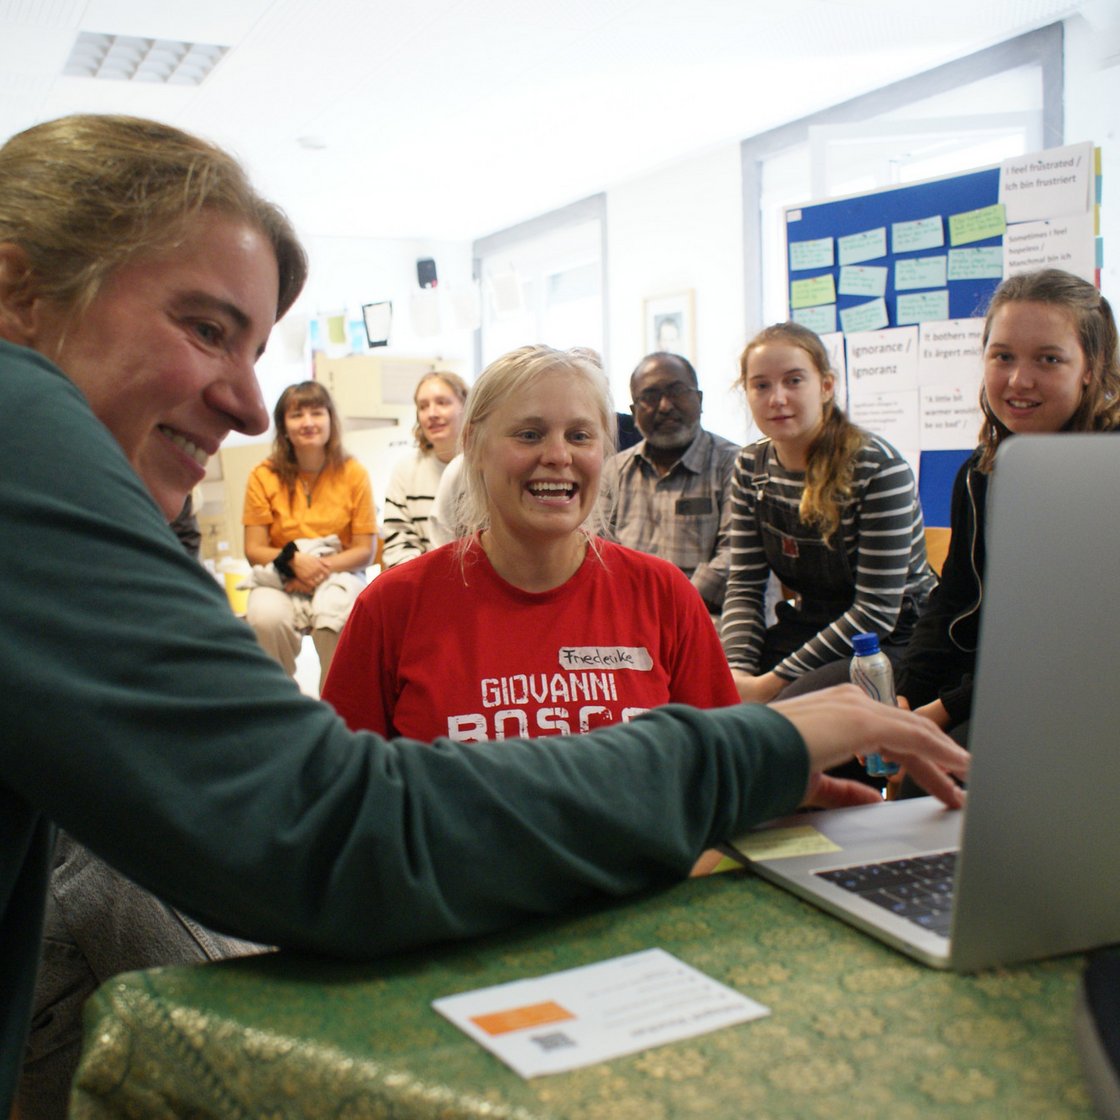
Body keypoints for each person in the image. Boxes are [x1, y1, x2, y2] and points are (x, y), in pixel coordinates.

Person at [0, 113, 970, 1118]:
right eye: (205, 328)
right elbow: (331, 826)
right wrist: (736, 753)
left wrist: (732, 778)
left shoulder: (655, 595)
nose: (251, 406)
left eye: (582, 434)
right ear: (18, 291)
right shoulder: (27, 439)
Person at [322, 345, 739, 741]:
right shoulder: (391, 609)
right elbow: (338, 791)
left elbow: (724, 770)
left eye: (579, 436)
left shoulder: (663, 595)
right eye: (529, 434)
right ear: (473, 446)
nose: (558, 455)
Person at [896, 268, 1120, 746]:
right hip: (989, 678)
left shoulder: (1107, 471)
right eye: (1002, 356)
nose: (1020, 380)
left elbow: (1076, 640)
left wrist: (940, 711)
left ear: (1091, 366)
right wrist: (905, 695)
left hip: (1079, 689)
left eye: (1049, 359)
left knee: (951, 766)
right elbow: (953, 598)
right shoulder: (981, 472)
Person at [722, 321, 936, 703]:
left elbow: (876, 610)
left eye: (793, 381)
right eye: (761, 385)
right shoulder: (750, 466)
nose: (777, 398)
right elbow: (744, 585)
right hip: (811, 624)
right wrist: (737, 673)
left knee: (786, 714)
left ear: (826, 386)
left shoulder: (878, 468)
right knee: (704, 698)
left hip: (893, 639)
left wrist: (770, 684)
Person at [242, 380, 375, 690]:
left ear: (330, 420)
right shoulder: (263, 475)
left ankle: (337, 710)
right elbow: (254, 549)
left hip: (338, 570)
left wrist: (315, 568)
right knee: (264, 619)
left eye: (317, 413)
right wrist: (294, 563)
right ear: (283, 427)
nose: (308, 423)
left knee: (336, 619)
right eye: (297, 415)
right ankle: (280, 706)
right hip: (282, 572)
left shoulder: (353, 472)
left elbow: (364, 551)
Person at [602, 351, 740, 616]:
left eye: (677, 391)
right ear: (634, 412)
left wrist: (668, 608)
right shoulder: (613, 471)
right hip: (629, 618)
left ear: (699, 399)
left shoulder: (734, 464)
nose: (665, 406)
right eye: (650, 397)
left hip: (710, 619)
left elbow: (733, 559)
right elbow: (598, 553)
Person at [379, 370, 469, 568]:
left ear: (466, 406)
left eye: (442, 403)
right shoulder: (405, 471)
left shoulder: (487, 468)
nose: (432, 414)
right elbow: (398, 542)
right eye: (423, 406)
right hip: (421, 582)